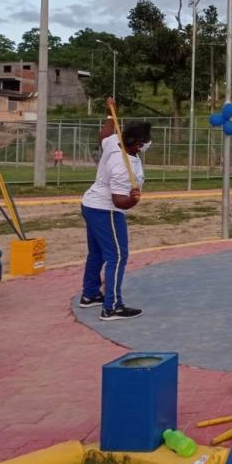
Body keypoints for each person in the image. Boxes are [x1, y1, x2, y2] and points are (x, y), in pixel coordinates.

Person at [79, 107, 150, 320]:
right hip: (106, 210)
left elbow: (104, 134)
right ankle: (112, 307)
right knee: (117, 256)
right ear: (137, 144)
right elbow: (119, 201)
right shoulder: (122, 166)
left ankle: (90, 294)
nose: (148, 144)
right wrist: (133, 200)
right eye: (146, 141)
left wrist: (111, 114)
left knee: (98, 253)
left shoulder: (114, 141)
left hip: (90, 204)